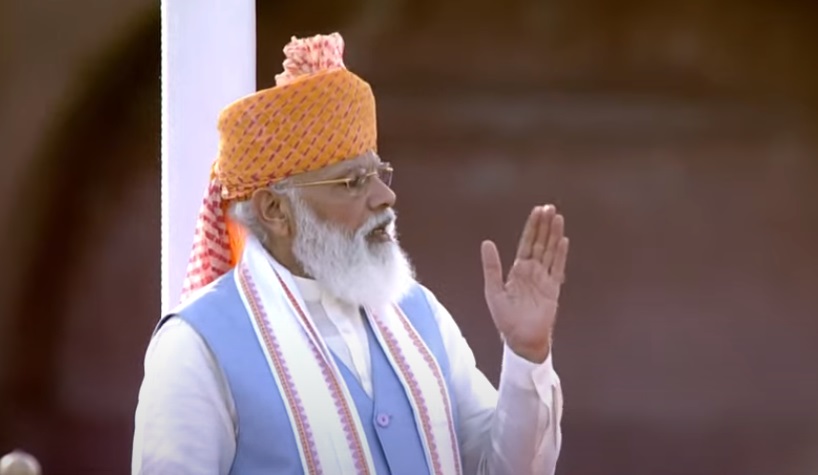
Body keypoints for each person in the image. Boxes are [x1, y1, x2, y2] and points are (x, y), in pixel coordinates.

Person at [132, 32, 568, 475]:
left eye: (379, 173)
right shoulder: (197, 346)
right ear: (276, 210)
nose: (384, 197)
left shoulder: (419, 314)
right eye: (352, 182)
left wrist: (526, 354)